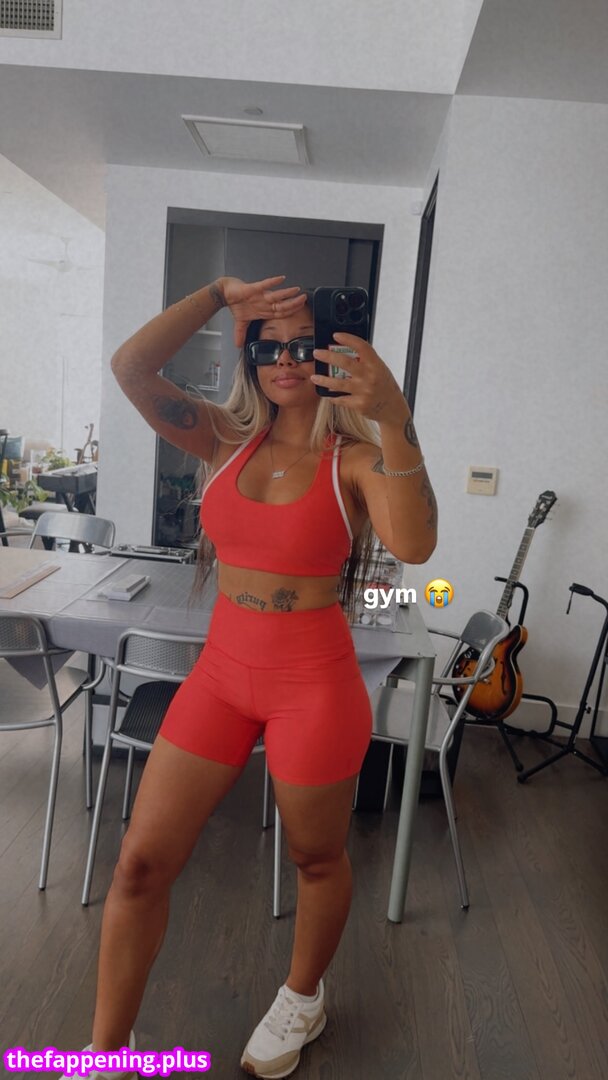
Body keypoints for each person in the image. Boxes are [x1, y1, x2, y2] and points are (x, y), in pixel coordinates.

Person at [61, 274, 437, 1080]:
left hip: (315, 685)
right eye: (270, 346)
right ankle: (106, 1052)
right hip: (221, 678)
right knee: (138, 864)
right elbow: (132, 368)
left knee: (316, 857)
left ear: (334, 356)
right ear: (250, 355)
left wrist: (394, 415)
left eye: (306, 346)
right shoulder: (223, 441)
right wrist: (215, 295)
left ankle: (303, 996)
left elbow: (415, 548)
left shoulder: (357, 460)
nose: (286, 361)